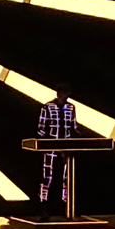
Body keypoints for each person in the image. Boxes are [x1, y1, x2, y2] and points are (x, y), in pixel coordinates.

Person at [37, 86, 78, 217]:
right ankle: (44, 204)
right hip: (50, 147)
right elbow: (41, 127)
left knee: (66, 177)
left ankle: (65, 204)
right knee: (47, 176)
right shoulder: (48, 107)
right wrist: (46, 143)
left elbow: (73, 126)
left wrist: (73, 140)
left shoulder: (71, 108)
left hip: (66, 147)